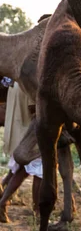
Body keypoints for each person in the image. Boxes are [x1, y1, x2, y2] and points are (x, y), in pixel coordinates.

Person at [0, 79, 42, 223]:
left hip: (16, 133)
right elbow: (34, 109)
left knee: (18, 170)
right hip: (29, 135)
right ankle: (37, 211)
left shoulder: (14, 83)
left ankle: (3, 200)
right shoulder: (28, 84)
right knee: (38, 171)